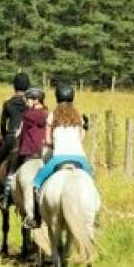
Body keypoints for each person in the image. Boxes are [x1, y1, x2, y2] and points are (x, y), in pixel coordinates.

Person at [28, 84, 92, 228]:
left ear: (57, 97)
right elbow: (81, 138)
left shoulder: (52, 116)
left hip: (59, 158)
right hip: (80, 159)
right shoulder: (79, 116)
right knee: (91, 182)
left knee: (36, 183)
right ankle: (94, 216)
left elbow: (49, 141)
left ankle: (36, 218)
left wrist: (51, 144)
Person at [0, 87, 48, 209]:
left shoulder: (27, 115)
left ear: (35, 100)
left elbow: (22, 134)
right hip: (44, 152)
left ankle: (5, 197)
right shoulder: (48, 115)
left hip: (29, 151)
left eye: (28, 99)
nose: (25, 101)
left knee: (12, 168)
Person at [0, 73, 30, 201]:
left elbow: (2, 123)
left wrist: (4, 134)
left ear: (14, 87)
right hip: (25, 139)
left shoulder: (7, 103)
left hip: (11, 137)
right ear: (27, 87)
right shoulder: (30, 103)